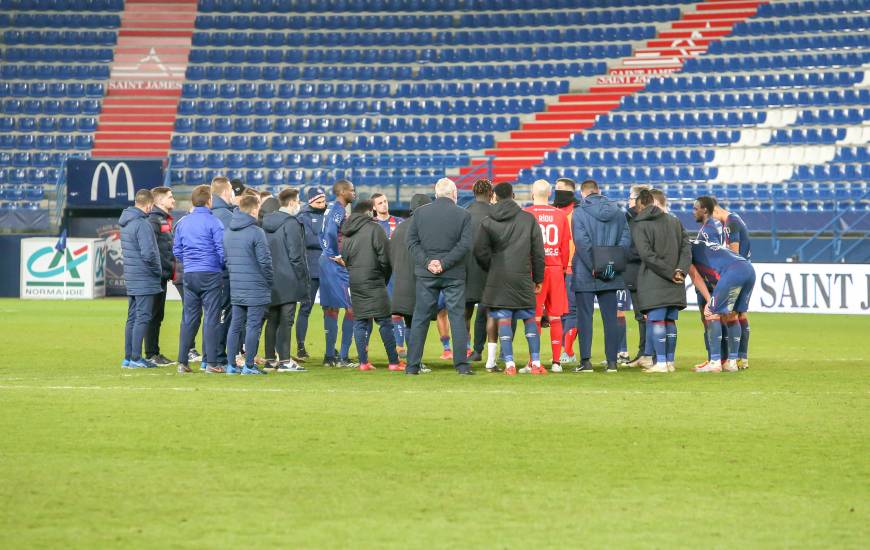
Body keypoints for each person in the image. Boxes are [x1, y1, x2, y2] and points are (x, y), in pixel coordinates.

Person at [475, 182, 546, 376]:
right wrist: (538, 278)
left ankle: (509, 365)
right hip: (523, 276)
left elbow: (479, 251)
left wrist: (492, 267)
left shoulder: (488, 221)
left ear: (495, 197)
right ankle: (536, 363)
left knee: (503, 318)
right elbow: (538, 252)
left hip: (498, 278)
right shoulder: (528, 219)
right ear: (513, 195)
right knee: (529, 318)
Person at [406, 178, 473, 375]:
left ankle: (412, 366)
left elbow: (411, 242)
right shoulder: (463, 215)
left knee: (420, 318)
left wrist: (428, 262)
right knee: (457, 318)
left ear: (436, 194)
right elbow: (465, 245)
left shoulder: (420, 213)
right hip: (453, 274)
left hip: (426, 274)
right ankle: (461, 366)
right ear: (455, 194)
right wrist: (444, 263)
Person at [571, 179, 631, 373]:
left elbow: (581, 243)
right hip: (611, 273)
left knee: (584, 318)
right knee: (610, 319)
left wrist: (594, 267)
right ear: (599, 191)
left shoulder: (579, 213)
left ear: (583, 193)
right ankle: (612, 362)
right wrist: (610, 265)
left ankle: (586, 362)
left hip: (585, 271)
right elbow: (625, 241)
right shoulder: (618, 213)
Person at [631, 189, 692, 374]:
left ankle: (661, 363)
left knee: (657, 320)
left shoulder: (640, 225)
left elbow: (647, 255)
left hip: (654, 280)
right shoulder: (675, 221)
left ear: (641, 205)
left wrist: (669, 272)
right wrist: (680, 270)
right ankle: (670, 362)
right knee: (670, 321)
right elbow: (686, 248)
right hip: (676, 281)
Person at [341, 199, 403, 372]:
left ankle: (363, 362)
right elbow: (386, 258)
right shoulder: (375, 229)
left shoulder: (347, 233)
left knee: (360, 322)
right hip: (375, 280)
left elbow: (344, 258)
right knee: (385, 322)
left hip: (355, 280)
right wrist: (383, 277)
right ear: (369, 212)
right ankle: (393, 362)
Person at [173, 184, 226, 373]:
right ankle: (211, 362)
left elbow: (177, 250)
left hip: (190, 274)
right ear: (209, 201)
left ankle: (182, 362)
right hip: (210, 273)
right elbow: (222, 250)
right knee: (212, 318)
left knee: (189, 318)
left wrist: (190, 262)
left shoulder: (183, 222)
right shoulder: (214, 222)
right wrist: (218, 266)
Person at [522, 179, 571, 372]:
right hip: (556, 268)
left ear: (532, 194)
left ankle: (533, 361)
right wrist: (563, 268)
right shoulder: (560, 215)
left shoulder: (526, 214)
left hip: (535, 271)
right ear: (549, 194)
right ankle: (557, 362)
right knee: (555, 316)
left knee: (534, 317)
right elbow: (565, 246)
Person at [688, 238, 756, 373]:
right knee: (732, 315)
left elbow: (695, 276)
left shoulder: (684, 249)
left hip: (732, 272)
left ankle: (714, 362)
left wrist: (709, 300)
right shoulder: (700, 244)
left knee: (711, 313)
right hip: (748, 269)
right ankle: (731, 362)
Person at [224, 195, 273, 375]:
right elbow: (265, 262)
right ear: (254, 209)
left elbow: (226, 259)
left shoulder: (229, 231)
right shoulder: (256, 232)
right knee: (253, 325)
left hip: (236, 285)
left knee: (235, 325)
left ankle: (230, 365)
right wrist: (269, 280)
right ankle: (249, 365)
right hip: (256, 286)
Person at [262, 188, 308, 372]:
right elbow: (296, 256)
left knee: (272, 319)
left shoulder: (265, 222)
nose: (299, 204)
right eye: (298, 201)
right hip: (289, 278)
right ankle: (285, 360)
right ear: (291, 203)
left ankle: (270, 359)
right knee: (286, 321)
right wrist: (302, 279)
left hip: (270, 277)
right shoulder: (291, 223)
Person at [389, 193, 433, 374]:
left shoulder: (398, 228)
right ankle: (416, 362)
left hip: (400, 283)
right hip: (419, 282)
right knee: (418, 324)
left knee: (410, 323)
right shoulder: (424, 228)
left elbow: (391, 255)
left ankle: (413, 360)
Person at [119, 189, 162, 369]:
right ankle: (136, 357)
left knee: (132, 317)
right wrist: (156, 270)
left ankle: (128, 357)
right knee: (143, 317)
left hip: (132, 275)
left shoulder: (125, 222)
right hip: (144, 276)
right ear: (149, 205)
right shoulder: (143, 224)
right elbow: (148, 253)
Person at [319, 179, 358, 368]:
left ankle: (329, 356)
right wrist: (336, 255)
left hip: (324, 263)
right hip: (334, 265)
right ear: (342, 192)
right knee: (352, 308)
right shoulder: (338, 210)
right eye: (351, 190)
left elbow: (322, 234)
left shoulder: (328, 210)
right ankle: (343, 356)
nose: (354, 193)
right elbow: (330, 234)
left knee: (331, 308)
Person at [714, 202, 752, 369]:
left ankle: (733, 359)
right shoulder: (735, 219)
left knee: (729, 314)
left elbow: (733, 252)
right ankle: (742, 358)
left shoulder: (730, 222)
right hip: (746, 269)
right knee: (741, 314)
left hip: (737, 271)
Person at [371, 192, 408, 358]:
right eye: (380, 203)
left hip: (396, 273)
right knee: (373, 314)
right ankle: (364, 349)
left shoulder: (399, 223)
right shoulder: (371, 225)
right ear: (374, 207)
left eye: (385, 201)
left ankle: (400, 347)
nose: (384, 205)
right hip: (377, 274)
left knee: (397, 311)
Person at [693, 196, 727, 367]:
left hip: (709, 282)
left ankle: (715, 358)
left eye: (695, 208)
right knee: (717, 318)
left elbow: (713, 256)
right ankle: (722, 358)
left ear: (704, 210)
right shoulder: (717, 226)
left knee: (709, 318)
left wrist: (711, 282)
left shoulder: (708, 231)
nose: (693, 212)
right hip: (716, 280)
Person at [144, 186, 176, 367]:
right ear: (160, 201)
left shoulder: (162, 219)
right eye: (170, 197)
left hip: (162, 274)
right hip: (155, 275)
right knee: (153, 315)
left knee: (157, 315)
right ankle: (150, 354)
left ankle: (153, 352)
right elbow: (151, 249)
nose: (173, 200)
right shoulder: (154, 220)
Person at [464, 179, 495, 364]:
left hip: (466, 269)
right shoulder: (496, 214)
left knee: (465, 313)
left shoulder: (464, 214)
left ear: (474, 193)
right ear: (491, 193)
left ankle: (464, 349)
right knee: (487, 312)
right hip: (489, 269)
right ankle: (479, 351)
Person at [295, 187, 326, 360]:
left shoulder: (330, 215)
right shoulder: (301, 217)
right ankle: (300, 346)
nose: (322, 205)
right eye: (318, 202)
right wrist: (326, 241)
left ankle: (331, 349)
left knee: (331, 310)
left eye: (323, 201)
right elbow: (307, 239)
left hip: (329, 268)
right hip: (311, 268)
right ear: (310, 201)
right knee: (305, 308)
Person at [623, 184, 652, 368]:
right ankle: (647, 353)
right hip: (644, 272)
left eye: (630, 198)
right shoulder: (655, 218)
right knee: (643, 316)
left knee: (644, 316)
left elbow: (632, 248)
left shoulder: (630, 219)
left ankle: (647, 353)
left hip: (637, 272)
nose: (628, 201)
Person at [552, 177, 580, 363]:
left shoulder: (578, 213)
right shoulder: (555, 212)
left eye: (560, 189)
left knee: (571, 311)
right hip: (556, 268)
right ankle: (565, 351)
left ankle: (566, 351)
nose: (557, 192)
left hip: (572, 268)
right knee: (560, 311)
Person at [210, 176, 236, 368]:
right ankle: (218, 357)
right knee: (222, 316)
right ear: (226, 192)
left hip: (207, 273)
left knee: (212, 315)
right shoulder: (226, 217)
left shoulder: (209, 213)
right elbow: (228, 249)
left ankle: (209, 358)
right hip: (223, 275)